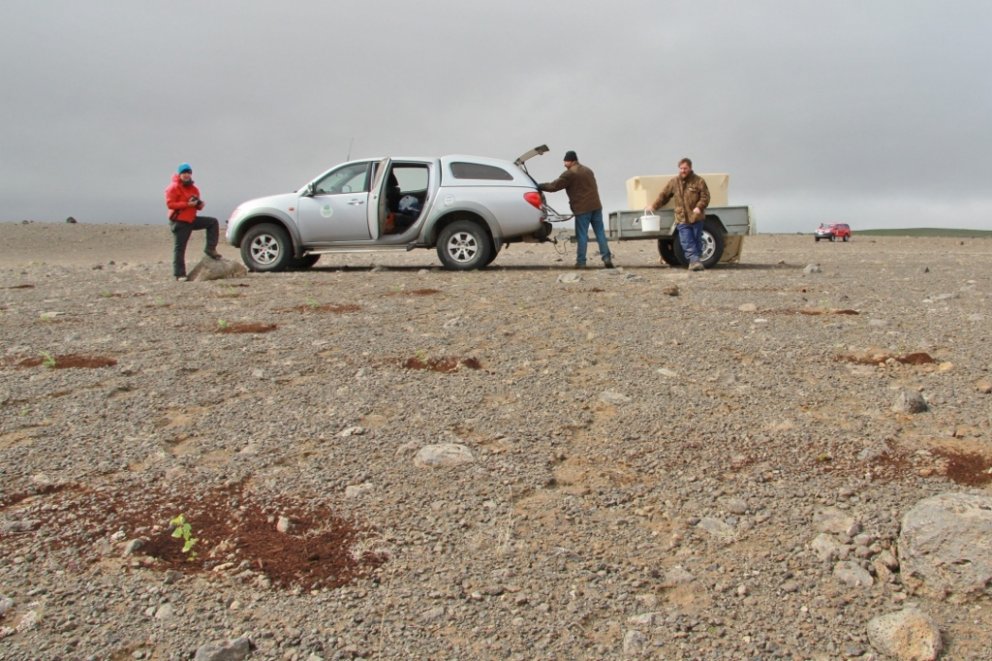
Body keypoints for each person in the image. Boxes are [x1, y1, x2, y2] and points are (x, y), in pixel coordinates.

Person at [539, 150, 614, 269]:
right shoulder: (588, 170)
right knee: (600, 233)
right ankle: (607, 258)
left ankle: (581, 262)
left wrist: (538, 186)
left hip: (582, 209)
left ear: (572, 161)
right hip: (596, 206)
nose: (564, 164)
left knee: (582, 236)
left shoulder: (569, 174)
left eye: (566, 161)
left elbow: (554, 186)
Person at [646, 157, 710, 271]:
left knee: (697, 240)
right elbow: (664, 195)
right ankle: (694, 261)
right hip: (681, 218)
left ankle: (696, 260)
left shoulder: (699, 181)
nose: (683, 171)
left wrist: (699, 207)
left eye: (685, 168)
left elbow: (705, 196)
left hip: (696, 217)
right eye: (681, 168)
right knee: (686, 240)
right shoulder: (674, 182)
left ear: (690, 168)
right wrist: (654, 206)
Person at [164, 162, 221, 281]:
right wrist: (187, 204)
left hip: (191, 219)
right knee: (180, 248)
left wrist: (199, 205)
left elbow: (196, 206)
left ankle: (210, 249)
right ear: (179, 174)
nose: (186, 175)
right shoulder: (173, 187)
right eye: (184, 173)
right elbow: (170, 204)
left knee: (212, 222)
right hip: (179, 221)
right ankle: (179, 274)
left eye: (188, 173)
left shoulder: (194, 188)